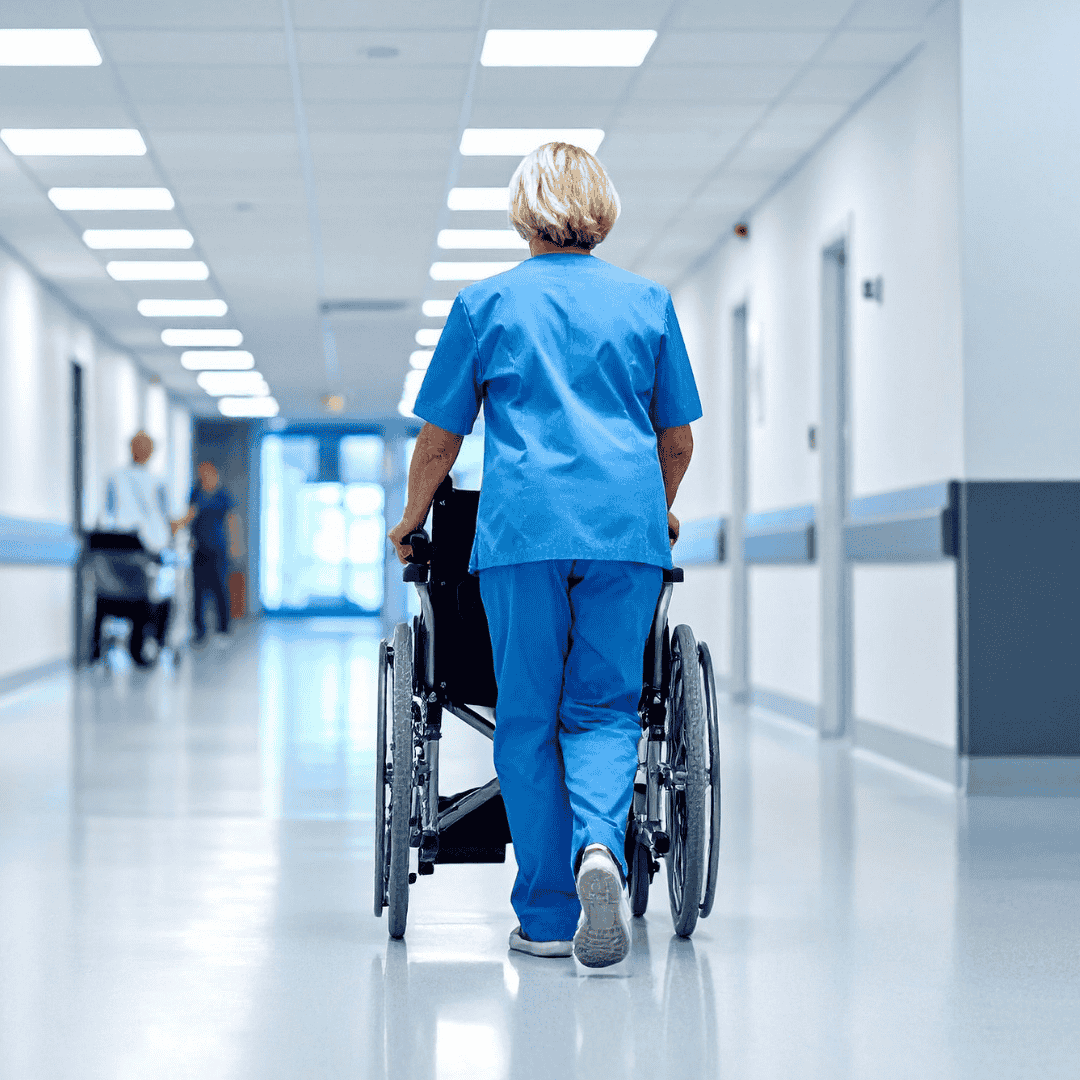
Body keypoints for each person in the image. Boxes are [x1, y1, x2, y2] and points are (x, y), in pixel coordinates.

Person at [389, 143, 701, 969]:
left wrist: (413, 515)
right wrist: (656, 512)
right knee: (603, 709)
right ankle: (600, 846)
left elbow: (439, 439)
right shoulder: (648, 302)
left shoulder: (485, 303)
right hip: (625, 535)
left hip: (523, 534)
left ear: (523, 211)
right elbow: (677, 440)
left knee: (527, 719)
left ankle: (550, 915)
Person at [93, 430, 173, 666]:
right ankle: (150, 644)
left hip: (116, 547)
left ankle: (104, 649)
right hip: (142, 549)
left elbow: (106, 513)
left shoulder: (115, 477)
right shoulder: (157, 481)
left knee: (117, 590)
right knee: (153, 597)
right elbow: (162, 516)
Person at [172, 461, 240, 646]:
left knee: (220, 590)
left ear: (215, 474)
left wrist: (235, 545)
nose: (205, 477)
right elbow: (191, 516)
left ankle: (223, 629)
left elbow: (232, 520)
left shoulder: (222, 495)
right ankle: (199, 631)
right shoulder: (196, 493)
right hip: (199, 549)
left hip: (218, 549)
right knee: (199, 592)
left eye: (208, 473)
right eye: (202, 473)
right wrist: (178, 527)